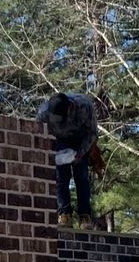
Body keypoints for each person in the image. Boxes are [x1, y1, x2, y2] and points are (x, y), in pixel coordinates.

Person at [37, 86, 108, 221]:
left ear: (69, 107)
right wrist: (48, 153)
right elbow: (38, 134)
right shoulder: (44, 112)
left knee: (81, 177)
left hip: (80, 140)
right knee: (60, 177)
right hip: (59, 142)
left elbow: (92, 134)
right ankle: (64, 213)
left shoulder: (84, 106)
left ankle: (84, 215)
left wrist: (80, 153)